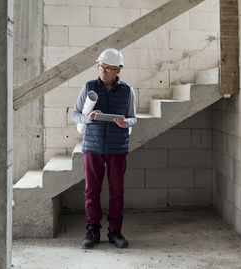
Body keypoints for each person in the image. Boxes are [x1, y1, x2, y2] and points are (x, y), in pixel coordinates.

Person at [72, 48, 137, 249]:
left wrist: (125, 122)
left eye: (108, 68)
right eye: (101, 67)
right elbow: (75, 114)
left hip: (117, 147)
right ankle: (92, 231)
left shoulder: (127, 90)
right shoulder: (89, 87)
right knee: (91, 190)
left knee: (117, 191)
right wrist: (88, 118)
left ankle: (115, 232)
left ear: (118, 70)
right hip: (92, 146)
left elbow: (133, 117)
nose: (103, 71)